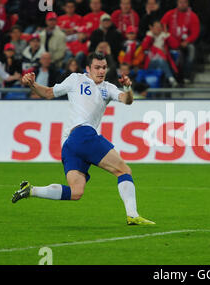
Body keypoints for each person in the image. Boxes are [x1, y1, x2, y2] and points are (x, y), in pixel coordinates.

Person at [12, 52, 155, 226]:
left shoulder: (108, 87)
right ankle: (132, 215)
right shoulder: (75, 79)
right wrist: (32, 84)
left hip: (69, 143)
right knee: (124, 171)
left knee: (75, 192)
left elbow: (127, 100)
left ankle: (31, 190)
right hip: (83, 134)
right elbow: (48, 93)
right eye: (97, 67)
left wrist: (127, 88)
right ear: (88, 68)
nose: (101, 71)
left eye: (104, 67)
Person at [161, 0, 201, 83]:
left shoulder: (193, 16)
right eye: (180, 2)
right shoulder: (170, 14)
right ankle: (171, 77)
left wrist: (187, 41)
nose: (182, 4)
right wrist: (166, 34)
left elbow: (195, 33)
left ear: (188, 4)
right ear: (177, 3)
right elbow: (162, 25)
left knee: (191, 50)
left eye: (185, 2)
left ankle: (187, 76)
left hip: (185, 43)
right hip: (171, 41)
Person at [141, 20, 179, 87]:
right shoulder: (149, 36)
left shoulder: (164, 37)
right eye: (156, 27)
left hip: (164, 62)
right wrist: (150, 36)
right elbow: (144, 47)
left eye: (160, 27)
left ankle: (169, 80)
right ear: (152, 28)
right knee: (160, 61)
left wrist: (167, 35)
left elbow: (175, 45)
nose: (158, 28)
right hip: (150, 62)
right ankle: (171, 79)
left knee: (161, 62)